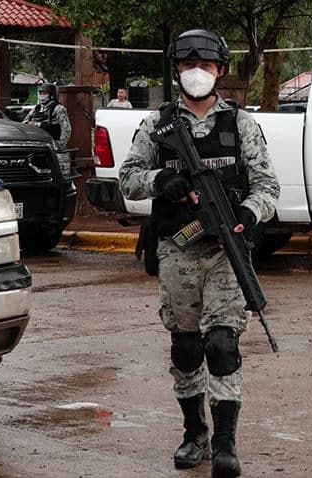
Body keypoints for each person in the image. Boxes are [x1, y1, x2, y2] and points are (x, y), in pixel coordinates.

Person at [118, 28, 279, 477]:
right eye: (189, 67)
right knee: (186, 347)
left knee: (223, 344)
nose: (197, 74)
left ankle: (226, 445)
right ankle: (195, 435)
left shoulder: (240, 124)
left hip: (226, 253)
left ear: (220, 72)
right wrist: (159, 182)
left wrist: (249, 209)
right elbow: (128, 177)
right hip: (177, 251)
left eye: (205, 67)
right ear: (177, 72)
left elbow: (268, 186)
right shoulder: (158, 124)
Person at [25, 83, 72, 173]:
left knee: (60, 175)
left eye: (44, 93)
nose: (42, 96)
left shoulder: (59, 109)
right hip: (38, 148)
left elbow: (66, 129)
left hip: (55, 148)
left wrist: (60, 145)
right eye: (40, 93)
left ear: (52, 95)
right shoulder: (36, 109)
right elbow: (24, 123)